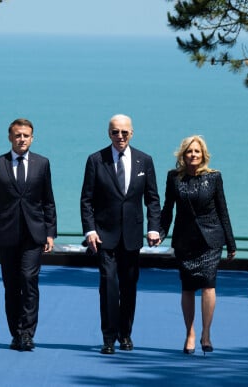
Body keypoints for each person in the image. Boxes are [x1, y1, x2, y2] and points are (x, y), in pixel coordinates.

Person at [80, 114, 161, 355]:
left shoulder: (144, 161)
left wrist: (154, 227)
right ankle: (108, 337)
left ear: (132, 133)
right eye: (115, 132)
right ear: (109, 133)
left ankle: (125, 334)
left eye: (125, 132)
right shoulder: (96, 160)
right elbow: (86, 200)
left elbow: (153, 199)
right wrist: (90, 230)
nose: (120, 136)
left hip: (133, 236)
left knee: (128, 287)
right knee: (108, 285)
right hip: (105, 236)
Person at [0, 118, 57, 351]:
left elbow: (48, 201)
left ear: (32, 138)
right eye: (18, 135)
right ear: (10, 137)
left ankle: (28, 334)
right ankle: (16, 333)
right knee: (11, 286)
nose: (22, 139)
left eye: (26, 135)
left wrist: (50, 233)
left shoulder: (42, 164)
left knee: (29, 281)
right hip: (7, 234)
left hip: (34, 234)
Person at [159, 135, 236, 355]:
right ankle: (190, 333)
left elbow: (223, 211)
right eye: (189, 151)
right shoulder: (174, 178)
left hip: (211, 240)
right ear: (183, 155)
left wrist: (230, 243)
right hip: (184, 240)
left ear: (203, 155)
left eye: (197, 151)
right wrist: (161, 233)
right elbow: (167, 209)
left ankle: (206, 333)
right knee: (188, 287)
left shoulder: (214, 178)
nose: (193, 155)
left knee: (209, 285)